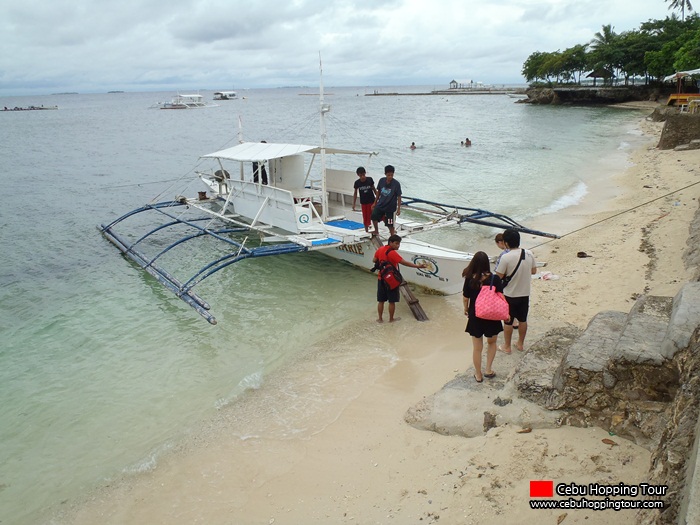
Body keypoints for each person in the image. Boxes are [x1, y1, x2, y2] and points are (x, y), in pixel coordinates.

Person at [462, 251, 504, 382]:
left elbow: (465, 297)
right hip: (491, 315)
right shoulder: (494, 278)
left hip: (476, 315)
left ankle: (478, 374)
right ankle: (488, 370)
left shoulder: (470, 278)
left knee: (477, 348)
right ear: (487, 263)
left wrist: (466, 308)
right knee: (492, 343)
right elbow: (500, 296)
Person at [495, 228, 537, 354]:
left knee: (508, 321)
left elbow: (499, 276)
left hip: (510, 294)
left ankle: (507, 346)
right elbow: (534, 271)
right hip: (525, 293)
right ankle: (520, 344)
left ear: (506, 243)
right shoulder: (529, 253)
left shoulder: (506, 257)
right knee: (523, 320)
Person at [373, 234, 427, 323]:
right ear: (390, 242)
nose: (398, 246)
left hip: (381, 278)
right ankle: (391, 319)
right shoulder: (392, 253)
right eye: (396, 243)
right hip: (391, 280)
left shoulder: (380, 249)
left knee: (381, 301)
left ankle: (380, 319)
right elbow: (404, 263)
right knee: (392, 301)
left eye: (399, 244)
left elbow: (374, 260)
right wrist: (418, 266)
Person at [371, 165, 402, 236]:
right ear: (385, 174)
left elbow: (399, 196)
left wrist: (399, 209)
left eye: (392, 175)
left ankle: (392, 234)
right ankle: (376, 230)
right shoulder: (381, 181)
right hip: (381, 204)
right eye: (388, 175)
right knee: (374, 216)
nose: (390, 177)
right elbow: (378, 192)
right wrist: (375, 202)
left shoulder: (396, 184)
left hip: (390, 208)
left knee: (390, 223)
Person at [352, 167, 378, 232]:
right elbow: (355, 193)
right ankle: (366, 230)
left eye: (363, 175)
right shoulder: (357, 183)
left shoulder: (369, 180)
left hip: (372, 201)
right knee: (365, 217)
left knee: (374, 216)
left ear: (365, 173)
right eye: (361, 175)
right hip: (364, 202)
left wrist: (378, 199)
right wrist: (354, 204)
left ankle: (376, 230)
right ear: (358, 175)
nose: (362, 177)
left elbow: (374, 189)